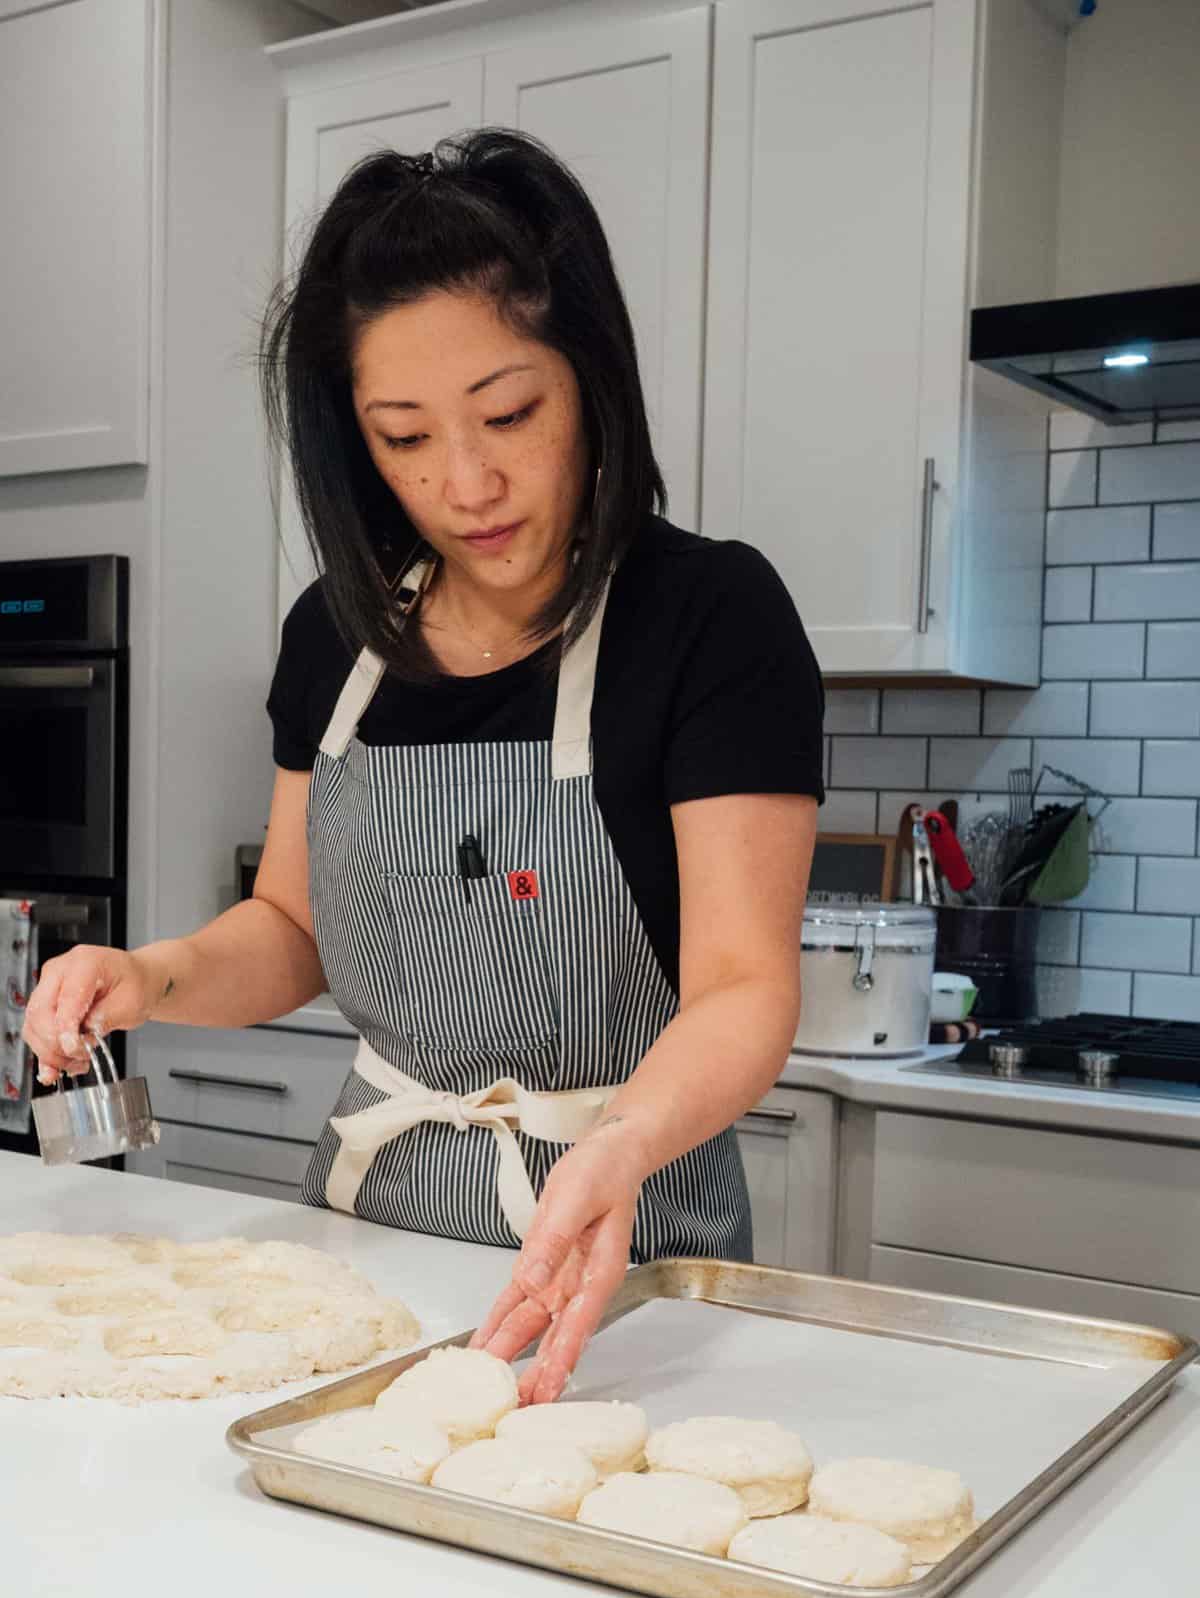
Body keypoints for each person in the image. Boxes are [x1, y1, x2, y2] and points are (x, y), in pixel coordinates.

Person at [22, 130, 824, 1404]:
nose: (467, 483)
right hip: (364, 1250)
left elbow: (740, 988)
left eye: (510, 413)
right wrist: (150, 974)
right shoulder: (335, 632)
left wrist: (617, 1145)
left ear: (591, 381)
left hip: (623, 1268)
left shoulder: (708, 616)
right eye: (403, 437)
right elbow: (293, 928)